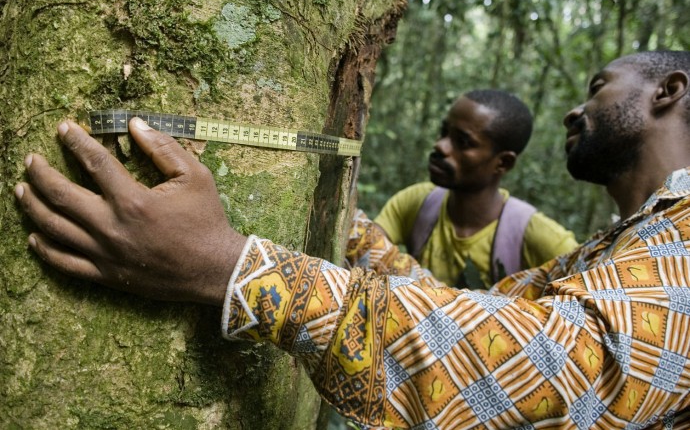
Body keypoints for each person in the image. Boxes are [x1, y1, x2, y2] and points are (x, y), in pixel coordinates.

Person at [14, 50, 690, 428]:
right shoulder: (630, 242)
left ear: (669, 90)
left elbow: (554, 365)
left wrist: (235, 268)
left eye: (600, 84)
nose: (577, 105)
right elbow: (457, 308)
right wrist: (342, 220)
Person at [373, 89, 577, 288]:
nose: (441, 146)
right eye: (444, 132)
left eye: (463, 142)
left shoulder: (540, 237)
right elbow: (365, 250)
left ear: (503, 163)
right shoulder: (417, 203)